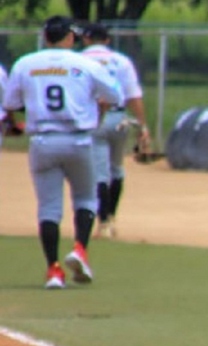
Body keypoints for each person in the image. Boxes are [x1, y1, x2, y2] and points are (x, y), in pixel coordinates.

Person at [2, 15, 122, 289]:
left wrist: (19, 120)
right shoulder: (85, 63)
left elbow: (10, 102)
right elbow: (115, 95)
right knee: (85, 198)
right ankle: (80, 248)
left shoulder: (26, 63)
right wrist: (96, 103)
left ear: (45, 37)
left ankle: (53, 270)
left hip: (42, 141)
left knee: (48, 207)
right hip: (78, 139)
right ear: (69, 37)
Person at [81, 22, 152, 238]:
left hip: (93, 118)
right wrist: (142, 125)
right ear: (108, 40)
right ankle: (111, 215)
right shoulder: (121, 61)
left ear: (85, 39)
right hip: (119, 118)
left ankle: (103, 222)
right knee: (117, 168)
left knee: (100, 172)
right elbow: (133, 95)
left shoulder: (78, 61)